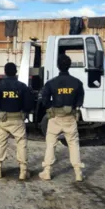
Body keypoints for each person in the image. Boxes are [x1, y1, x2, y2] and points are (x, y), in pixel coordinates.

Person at [39, 54, 85, 182]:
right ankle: (78, 172)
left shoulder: (51, 83)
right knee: (73, 144)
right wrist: (75, 108)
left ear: (58, 66)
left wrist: (50, 108)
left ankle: (47, 171)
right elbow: (80, 100)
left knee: (50, 144)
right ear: (69, 65)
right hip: (70, 118)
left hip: (55, 118)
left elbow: (44, 98)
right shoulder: (77, 83)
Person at [0, 62, 34, 180]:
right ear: (15, 72)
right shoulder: (22, 86)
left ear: (5, 72)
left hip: (4, 120)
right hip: (18, 120)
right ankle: (23, 170)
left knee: (0, 143)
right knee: (21, 143)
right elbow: (29, 103)